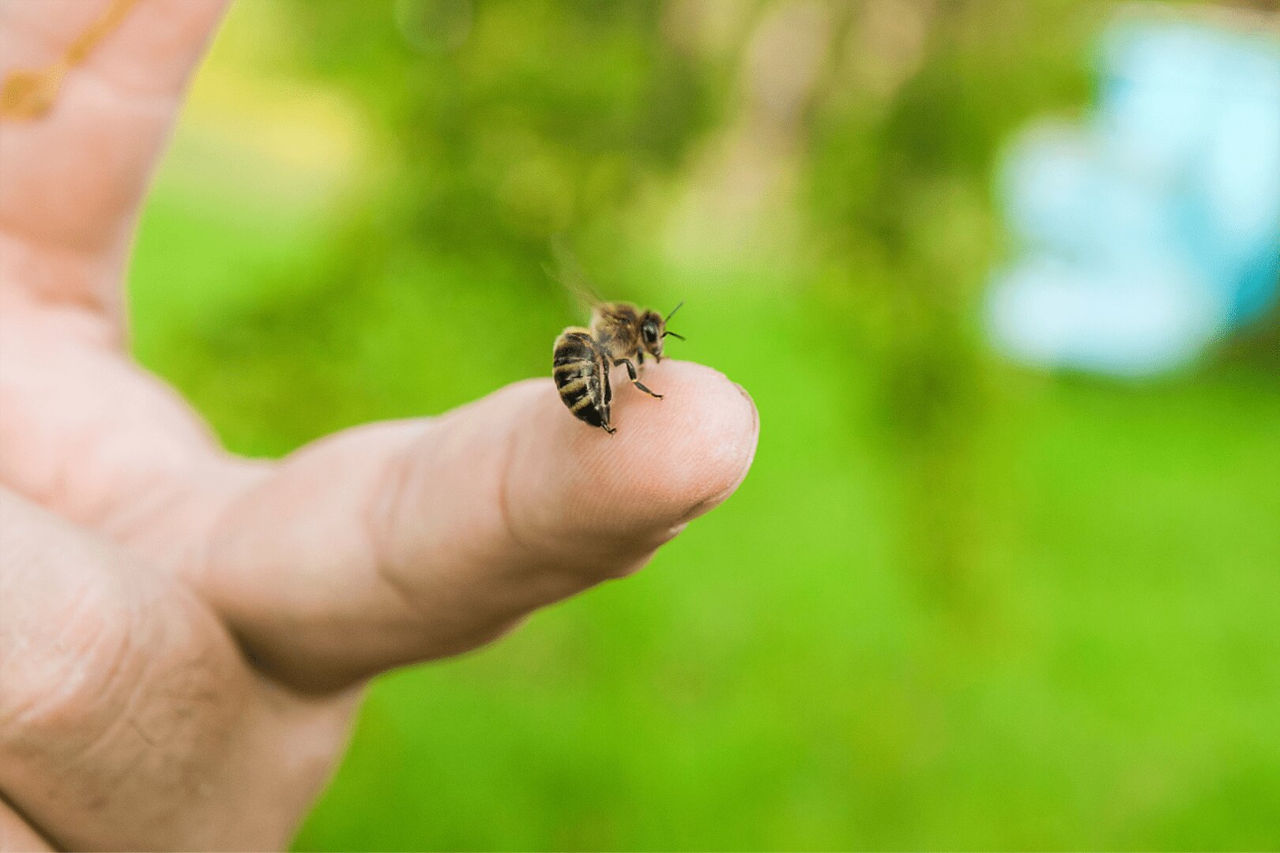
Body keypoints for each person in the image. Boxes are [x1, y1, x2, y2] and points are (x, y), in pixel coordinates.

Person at [0, 1, 758, 848]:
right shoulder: (611, 343)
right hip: (583, 383)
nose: (652, 347)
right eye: (649, 341)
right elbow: (608, 356)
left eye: (649, 344)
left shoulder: (623, 346)